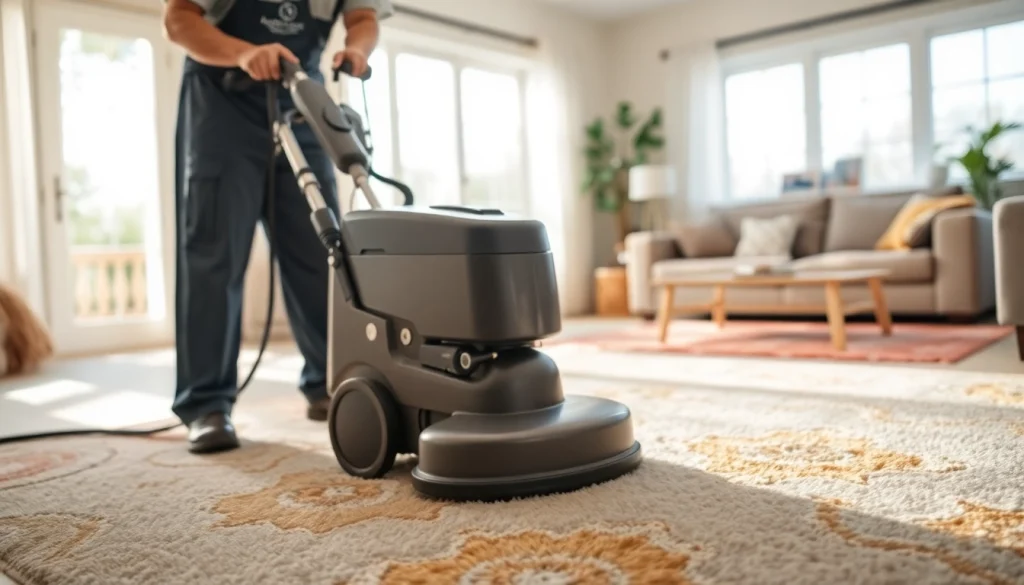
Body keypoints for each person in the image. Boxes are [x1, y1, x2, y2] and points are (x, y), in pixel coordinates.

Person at [161, 0, 392, 454]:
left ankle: (331, 382)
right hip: (222, 100)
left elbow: (362, 18)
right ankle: (206, 403)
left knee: (321, 250)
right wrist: (244, 52)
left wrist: (358, 49)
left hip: (301, 99)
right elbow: (178, 21)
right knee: (214, 251)